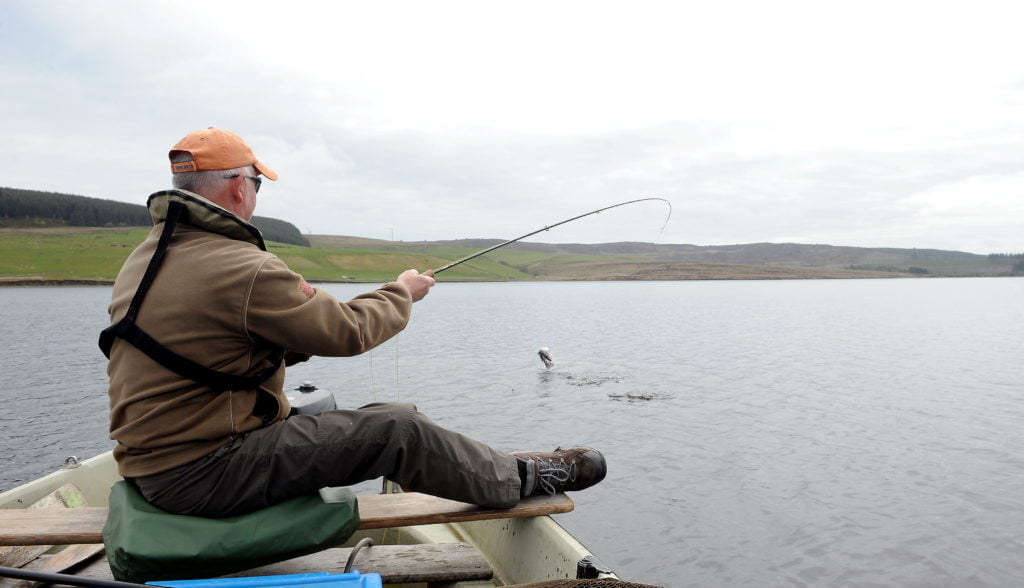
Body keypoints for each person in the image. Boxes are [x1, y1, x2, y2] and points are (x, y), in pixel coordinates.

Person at [100, 127, 606, 517]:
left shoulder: (149, 258)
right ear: (236, 187)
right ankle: (524, 477)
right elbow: (348, 331)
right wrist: (401, 293)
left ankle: (477, 467)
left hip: (157, 465)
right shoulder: (241, 265)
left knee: (391, 410)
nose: (256, 194)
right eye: (256, 183)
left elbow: (213, 349)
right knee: (397, 429)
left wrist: (295, 338)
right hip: (203, 472)